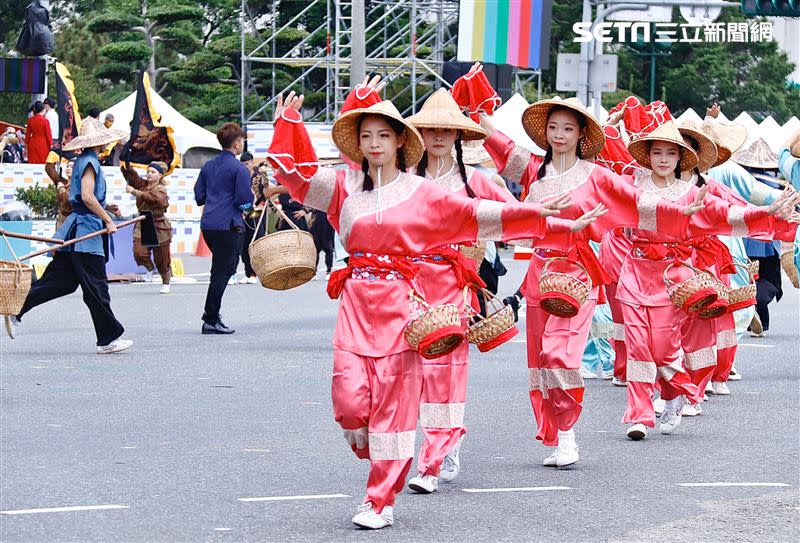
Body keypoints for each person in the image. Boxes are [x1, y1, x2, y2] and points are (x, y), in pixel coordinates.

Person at [265, 79, 599, 530]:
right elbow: (298, 179)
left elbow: (479, 215)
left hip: (410, 307)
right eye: (366, 136)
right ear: (357, 145)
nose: (375, 143)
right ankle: (380, 449)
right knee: (348, 402)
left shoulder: (423, 191)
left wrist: (543, 217)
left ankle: (380, 499)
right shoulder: (345, 187)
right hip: (356, 306)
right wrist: (289, 125)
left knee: (396, 408)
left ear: (401, 141)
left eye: (384, 135)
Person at [403, 88, 517, 495]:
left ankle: (432, 458)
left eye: (446, 131)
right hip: (408, 287)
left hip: (453, 285)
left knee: (445, 372)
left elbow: (512, 215)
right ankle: (448, 435)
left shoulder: (479, 181)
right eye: (430, 129)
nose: (437, 137)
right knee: (409, 375)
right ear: (418, 134)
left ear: (458, 136)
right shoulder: (403, 181)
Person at [4, 118, 133, 354]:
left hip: (77, 228)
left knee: (60, 282)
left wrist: (107, 209)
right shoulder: (91, 162)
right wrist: (106, 219)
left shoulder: (83, 160)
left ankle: (17, 308)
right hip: (86, 234)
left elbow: (87, 199)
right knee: (97, 288)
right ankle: (107, 339)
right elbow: (86, 197)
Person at [193, 123, 254, 334]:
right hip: (229, 224)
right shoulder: (239, 168)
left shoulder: (208, 166)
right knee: (223, 271)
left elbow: (199, 197)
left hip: (209, 223)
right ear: (237, 143)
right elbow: (244, 200)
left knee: (218, 270)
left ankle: (212, 315)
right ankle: (210, 317)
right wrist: (248, 208)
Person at [121, 161, 173, 294]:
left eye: (153, 172)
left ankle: (165, 282)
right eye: (148, 171)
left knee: (162, 258)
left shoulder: (161, 189)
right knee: (139, 252)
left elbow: (153, 198)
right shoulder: (142, 184)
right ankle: (149, 268)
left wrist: (134, 192)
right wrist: (128, 166)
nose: (149, 174)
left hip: (158, 223)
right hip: (143, 221)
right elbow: (133, 178)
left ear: (160, 175)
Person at [237, 153, 266, 284]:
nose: (245, 167)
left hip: (257, 213)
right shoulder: (240, 177)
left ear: (252, 162)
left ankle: (256, 273)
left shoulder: (259, 177)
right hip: (244, 213)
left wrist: (258, 206)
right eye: (242, 165)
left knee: (256, 243)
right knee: (244, 244)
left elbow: (266, 193)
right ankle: (248, 273)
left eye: (247, 164)